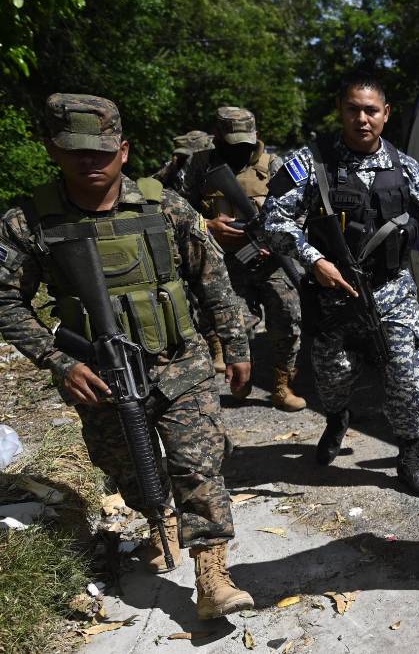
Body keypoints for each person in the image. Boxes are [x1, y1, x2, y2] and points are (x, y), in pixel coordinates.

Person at [0, 94, 254, 618]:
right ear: (52, 149)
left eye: (100, 151)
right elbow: (4, 298)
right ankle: (160, 520)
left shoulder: (165, 207)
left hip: (180, 364)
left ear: (124, 151)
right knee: (126, 466)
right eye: (75, 150)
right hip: (98, 375)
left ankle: (213, 575)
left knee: (199, 465)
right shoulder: (27, 222)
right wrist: (57, 361)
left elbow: (212, 279)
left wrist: (235, 345)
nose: (88, 161)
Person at [263, 72, 419, 498]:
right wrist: (315, 260)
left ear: (386, 114)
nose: (362, 119)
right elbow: (273, 220)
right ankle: (337, 418)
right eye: (353, 109)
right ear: (341, 111)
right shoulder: (311, 164)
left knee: (407, 375)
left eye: (371, 110)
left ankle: (408, 457)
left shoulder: (405, 168)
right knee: (334, 375)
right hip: (332, 294)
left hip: (392, 292)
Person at [173, 107, 305, 411]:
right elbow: (178, 211)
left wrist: (274, 238)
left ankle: (282, 386)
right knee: (236, 324)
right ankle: (240, 377)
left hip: (271, 260)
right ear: (217, 137)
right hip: (224, 262)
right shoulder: (199, 165)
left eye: (245, 143)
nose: (239, 150)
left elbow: (299, 211)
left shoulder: (274, 165)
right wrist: (208, 226)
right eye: (231, 143)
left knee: (287, 318)